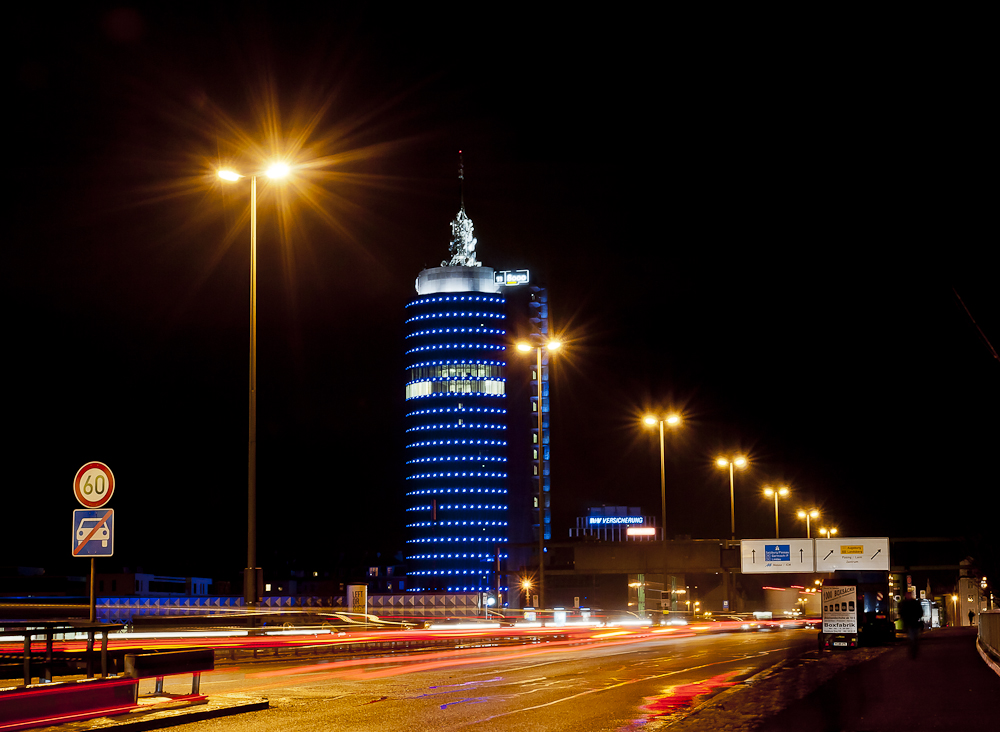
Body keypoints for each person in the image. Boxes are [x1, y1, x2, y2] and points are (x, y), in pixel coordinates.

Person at [897, 592, 923, 659]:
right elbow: (920, 611)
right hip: (913, 623)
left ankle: (913, 652)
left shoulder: (904, 604)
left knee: (912, 637)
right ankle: (914, 652)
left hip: (910, 623)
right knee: (914, 637)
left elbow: (901, 613)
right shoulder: (915, 603)